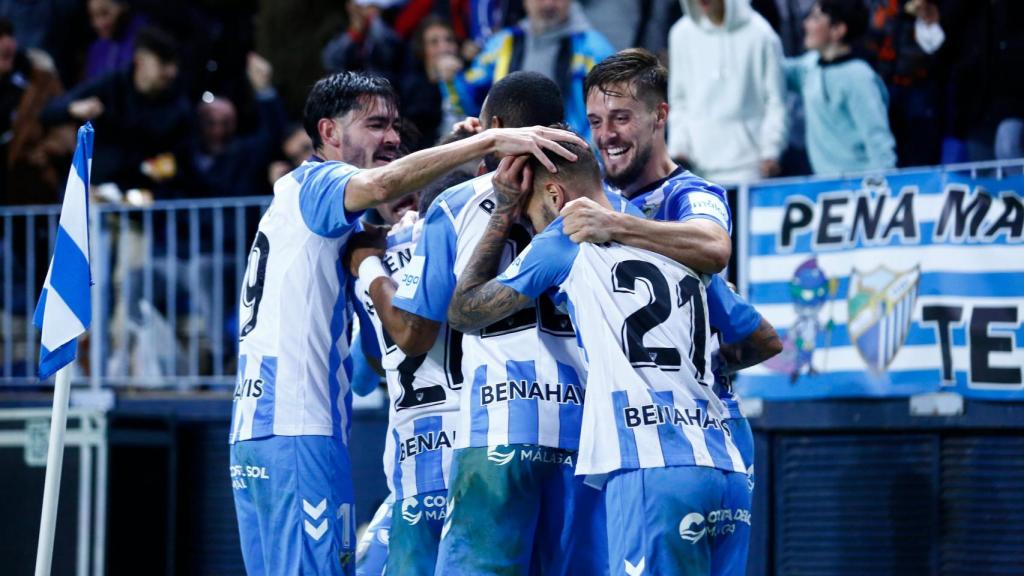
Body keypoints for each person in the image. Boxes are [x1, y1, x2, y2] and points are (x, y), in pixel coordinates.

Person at [227, 70, 585, 576]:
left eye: (395, 125)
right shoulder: (320, 184)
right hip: (300, 425)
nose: (392, 138)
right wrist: (491, 140)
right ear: (329, 133)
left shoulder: (331, 223)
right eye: (376, 125)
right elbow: (384, 186)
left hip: (256, 428)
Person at [447, 142, 748, 576]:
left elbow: (464, 312)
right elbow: (762, 339)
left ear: (554, 196)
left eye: (532, 214)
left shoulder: (566, 236)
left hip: (650, 464)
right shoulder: (676, 245)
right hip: (727, 466)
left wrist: (503, 210)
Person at [379, 72, 623, 575]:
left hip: (496, 430)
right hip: (590, 437)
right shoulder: (613, 208)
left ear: (495, 128)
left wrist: (370, 273)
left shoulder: (452, 204)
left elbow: (419, 330)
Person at [570, 49, 783, 572]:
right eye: (596, 121)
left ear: (659, 116)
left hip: (674, 445)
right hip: (695, 452)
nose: (607, 135)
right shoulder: (592, 199)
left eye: (621, 118)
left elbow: (714, 246)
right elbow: (763, 339)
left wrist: (617, 227)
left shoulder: (689, 193)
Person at [348, 169, 474, 576]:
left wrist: (368, 273)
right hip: (476, 448)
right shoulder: (471, 236)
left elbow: (362, 378)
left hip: (419, 462)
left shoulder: (371, 267)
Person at [40, 26, 192, 198]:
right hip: (99, 192)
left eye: (174, 64)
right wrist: (73, 109)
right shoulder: (111, 85)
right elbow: (48, 113)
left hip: (146, 199)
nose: (172, 72)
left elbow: (180, 163)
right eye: (163, 63)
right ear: (140, 60)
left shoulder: (179, 106)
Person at [437, 0, 614, 140]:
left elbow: (609, 110)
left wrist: (586, 151)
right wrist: (452, 80)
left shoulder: (594, 49)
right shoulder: (502, 43)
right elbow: (471, 105)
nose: (548, 4)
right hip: (505, 154)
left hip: (571, 159)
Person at [668, 0, 788, 183]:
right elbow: (679, 100)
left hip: (750, 167)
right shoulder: (680, 34)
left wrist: (771, 150)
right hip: (695, 167)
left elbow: (776, 101)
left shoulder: (762, 35)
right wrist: (678, 148)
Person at [783, 0, 897, 175]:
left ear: (838, 30)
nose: (806, 24)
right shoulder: (810, 65)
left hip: (859, 187)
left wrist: (883, 190)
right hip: (825, 187)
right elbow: (776, 70)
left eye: (815, 18)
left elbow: (878, 140)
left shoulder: (859, 77)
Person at [0, 18, 74, 205]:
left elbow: (64, 129)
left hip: (34, 191)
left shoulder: (41, 79)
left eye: (9, 35)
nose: (6, 43)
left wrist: (47, 149)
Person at [192, 53, 287, 197]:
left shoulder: (246, 154)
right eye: (210, 123)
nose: (218, 131)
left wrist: (264, 91)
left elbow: (273, 135)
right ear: (199, 123)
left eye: (225, 123)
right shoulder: (184, 156)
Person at [399, 16, 462, 149]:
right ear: (422, 50)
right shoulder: (411, 88)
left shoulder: (469, 79)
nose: (444, 47)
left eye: (449, 40)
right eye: (434, 42)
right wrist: (442, 82)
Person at [83, 0, 146, 82]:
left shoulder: (143, 37)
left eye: (105, 13)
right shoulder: (96, 48)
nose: (98, 23)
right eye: (93, 16)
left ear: (123, 7)